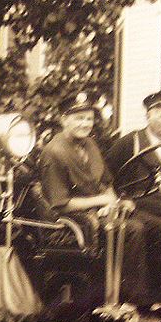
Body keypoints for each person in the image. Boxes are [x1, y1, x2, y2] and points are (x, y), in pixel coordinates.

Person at [37, 91, 150, 305]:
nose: (85, 124)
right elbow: (60, 204)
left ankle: (141, 298)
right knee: (133, 229)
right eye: (79, 118)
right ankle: (128, 301)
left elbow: (106, 183)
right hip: (71, 221)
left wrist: (113, 203)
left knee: (144, 221)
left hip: (99, 213)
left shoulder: (90, 144)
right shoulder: (54, 152)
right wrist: (101, 203)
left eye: (88, 118)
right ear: (64, 120)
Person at [104, 87, 161, 220]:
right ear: (148, 117)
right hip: (140, 214)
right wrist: (121, 200)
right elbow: (106, 178)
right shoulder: (129, 143)